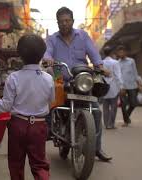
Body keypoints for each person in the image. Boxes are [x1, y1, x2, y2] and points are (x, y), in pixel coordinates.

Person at [43, 7, 112, 161]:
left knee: (95, 111)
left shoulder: (83, 36)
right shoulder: (52, 39)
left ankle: (96, 148)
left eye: (67, 20)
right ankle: (49, 129)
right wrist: (48, 59)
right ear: (57, 23)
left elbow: (94, 54)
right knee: (51, 103)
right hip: (60, 77)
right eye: (61, 21)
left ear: (72, 21)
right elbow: (47, 52)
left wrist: (100, 67)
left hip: (81, 79)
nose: (64, 24)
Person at [0, 34, 53, 180]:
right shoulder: (48, 79)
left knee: (16, 163)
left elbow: (5, 106)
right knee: (39, 164)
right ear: (41, 55)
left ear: (19, 55)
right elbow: (51, 100)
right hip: (39, 126)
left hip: (18, 125)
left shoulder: (13, 78)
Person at [117, 45, 141, 127]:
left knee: (133, 103)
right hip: (122, 87)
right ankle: (126, 121)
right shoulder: (117, 63)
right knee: (123, 104)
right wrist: (120, 86)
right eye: (120, 52)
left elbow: (135, 73)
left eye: (122, 51)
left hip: (132, 85)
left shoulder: (131, 61)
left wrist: (140, 83)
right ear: (118, 53)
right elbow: (118, 76)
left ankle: (127, 116)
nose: (121, 53)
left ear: (125, 52)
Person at [102, 46, 123, 129]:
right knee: (113, 107)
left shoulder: (101, 63)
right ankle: (111, 124)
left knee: (105, 107)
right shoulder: (115, 62)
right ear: (111, 53)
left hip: (104, 88)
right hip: (113, 88)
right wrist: (121, 86)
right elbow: (118, 75)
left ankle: (106, 124)